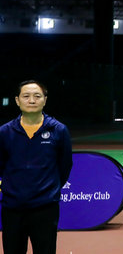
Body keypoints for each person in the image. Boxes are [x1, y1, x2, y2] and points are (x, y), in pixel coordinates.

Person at [0, 80, 73, 254]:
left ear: (45, 100)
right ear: (17, 100)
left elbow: (64, 166)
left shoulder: (59, 130)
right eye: (26, 96)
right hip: (12, 208)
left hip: (45, 209)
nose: (31, 100)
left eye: (37, 96)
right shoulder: (4, 132)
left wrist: (49, 190)